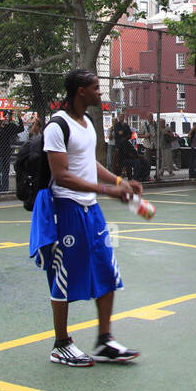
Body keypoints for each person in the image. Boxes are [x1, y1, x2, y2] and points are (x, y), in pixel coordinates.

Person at [41, 69, 142, 367]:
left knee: (107, 271)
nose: (100, 92)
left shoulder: (87, 123)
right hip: (66, 209)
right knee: (63, 277)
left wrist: (119, 181)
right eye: (96, 88)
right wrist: (107, 190)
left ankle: (105, 340)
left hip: (91, 211)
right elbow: (62, 177)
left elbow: (89, 163)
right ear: (80, 91)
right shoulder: (57, 126)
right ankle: (61, 344)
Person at [0, 111, 18, 192]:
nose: (6, 118)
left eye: (8, 116)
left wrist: (19, 119)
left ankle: (5, 187)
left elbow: (20, 129)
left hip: (6, 151)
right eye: (5, 116)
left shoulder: (10, 126)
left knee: (5, 171)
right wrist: (1, 127)